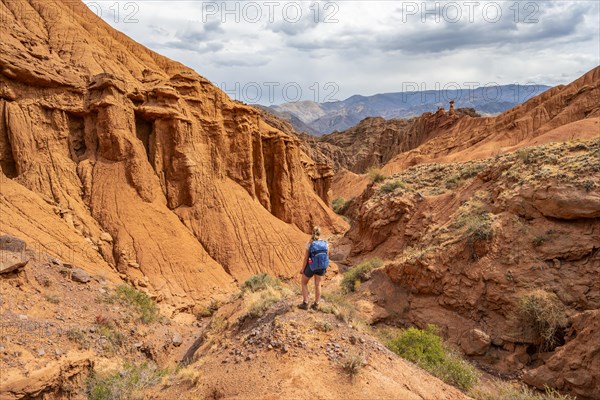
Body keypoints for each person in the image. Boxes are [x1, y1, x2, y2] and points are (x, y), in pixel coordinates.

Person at [298, 226, 329, 310]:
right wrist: (325, 267)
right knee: (318, 284)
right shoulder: (325, 243)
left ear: (312, 233)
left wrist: (303, 269)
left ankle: (305, 303)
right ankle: (316, 304)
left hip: (311, 266)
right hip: (322, 266)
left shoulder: (310, 243)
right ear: (320, 233)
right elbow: (327, 256)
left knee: (304, 282)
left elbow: (306, 258)